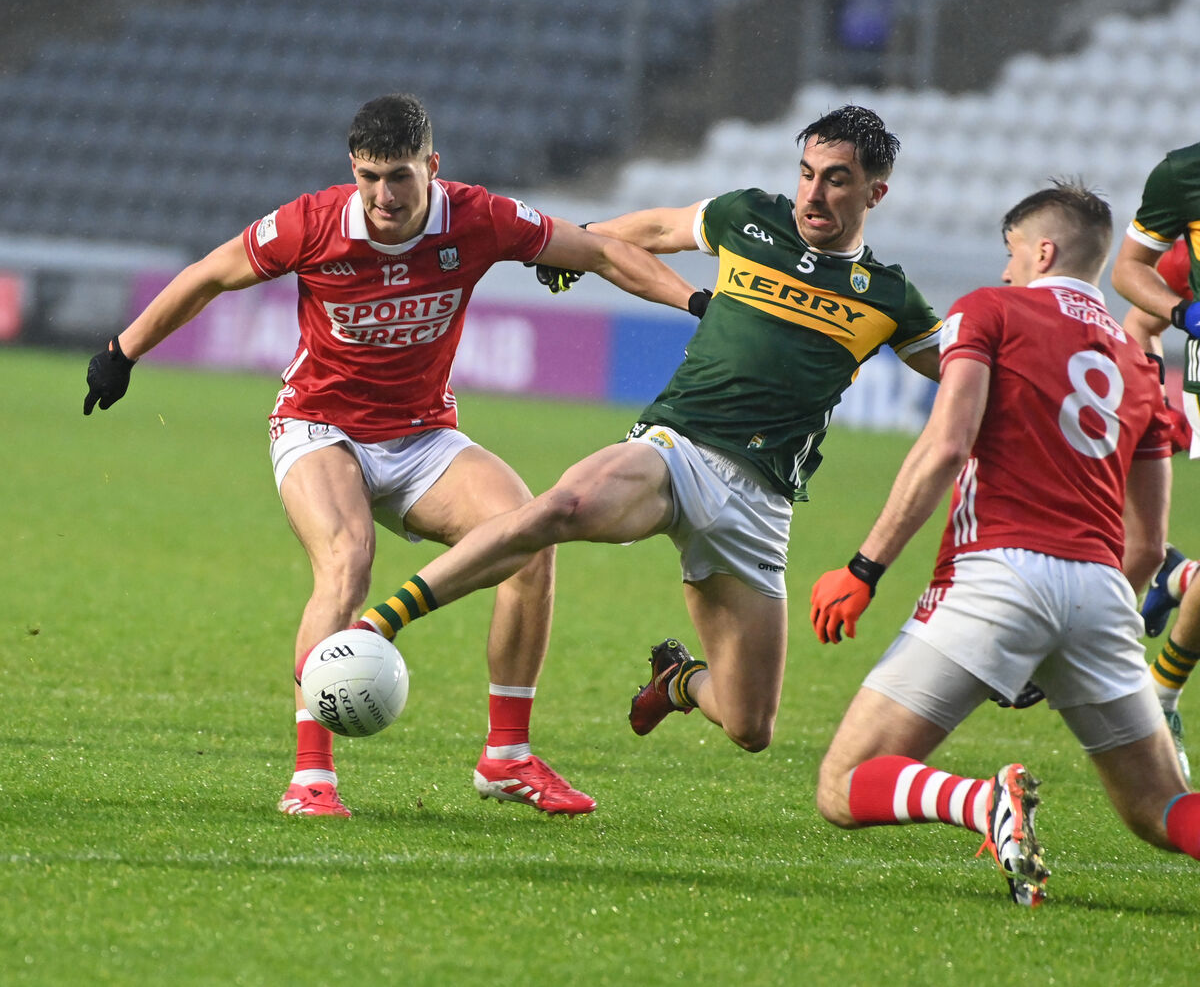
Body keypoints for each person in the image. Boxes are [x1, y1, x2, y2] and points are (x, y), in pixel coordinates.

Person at [82, 93, 697, 818]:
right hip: (318, 425)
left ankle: (506, 758)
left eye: (400, 176)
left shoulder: (477, 218)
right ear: (353, 170)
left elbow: (597, 251)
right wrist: (124, 351)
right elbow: (211, 273)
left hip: (421, 434)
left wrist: (695, 305)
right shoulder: (311, 223)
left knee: (531, 540)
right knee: (347, 559)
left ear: (432, 168)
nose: (383, 195)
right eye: (370, 177)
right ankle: (311, 778)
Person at [346, 105, 942, 765]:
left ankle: (678, 682)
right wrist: (584, 242)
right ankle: (381, 624)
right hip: (676, 450)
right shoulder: (750, 217)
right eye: (806, 174)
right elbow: (659, 227)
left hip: (761, 504)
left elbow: (962, 378)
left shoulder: (889, 298)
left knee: (751, 726)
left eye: (835, 179)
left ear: (874, 193)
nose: (813, 193)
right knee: (559, 507)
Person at [809, 180, 1200, 908]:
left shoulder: (992, 310)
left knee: (843, 782)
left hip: (998, 573)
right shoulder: (1142, 367)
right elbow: (1148, 547)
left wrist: (865, 568)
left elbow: (946, 446)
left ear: (1042, 249)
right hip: (1101, 591)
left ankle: (981, 803)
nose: (1005, 271)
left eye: (1012, 254)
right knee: (1160, 811)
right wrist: (1058, 649)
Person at [1113, 156, 1200, 781]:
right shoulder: (1185, 177)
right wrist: (1187, 316)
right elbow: (1136, 303)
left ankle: (1180, 581)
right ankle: (1162, 692)